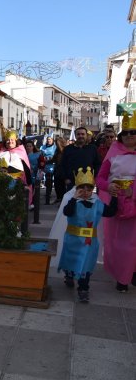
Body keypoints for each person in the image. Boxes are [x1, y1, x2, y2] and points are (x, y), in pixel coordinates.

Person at [57, 167, 117, 302]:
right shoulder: (73, 203)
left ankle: (83, 289)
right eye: (82, 189)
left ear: (93, 190)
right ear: (77, 190)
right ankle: (69, 277)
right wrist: (73, 198)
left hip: (89, 243)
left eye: (89, 189)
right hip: (73, 240)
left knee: (86, 265)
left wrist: (115, 196)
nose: (85, 192)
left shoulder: (97, 204)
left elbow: (111, 212)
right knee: (71, 260)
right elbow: (67, 212)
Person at [95, 114, 136, 293]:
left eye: (133, 132)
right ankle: (121, 276)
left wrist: (133, 191)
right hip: (115, 205)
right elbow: (100, 179)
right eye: (125, 133)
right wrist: (109, 186)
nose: (129, 136)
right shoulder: (113, 153)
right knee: (118, 243)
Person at [61, 127, 100, 191]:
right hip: (72, 183)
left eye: (82, 134)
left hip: (88, 183)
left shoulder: (93, 148)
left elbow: (97, 164)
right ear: (75, 136)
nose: (80, 136)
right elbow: (63, 164)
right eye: (78, 134)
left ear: (86, 135)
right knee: (72, 200)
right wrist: (66, 178)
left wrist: (95, 177)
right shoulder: (68, 149)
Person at [40, 136, 56, 204]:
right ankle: (47, 198)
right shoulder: (43, 147)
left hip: (53, 167)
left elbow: (56, 156)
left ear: (52, 140)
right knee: (47, 183)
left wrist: (51, 159)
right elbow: (40, 155)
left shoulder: (55, 147)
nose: (48, 140)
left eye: (50, 139)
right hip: (45, 167)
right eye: (48, 139)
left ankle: (50, 198)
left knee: (52, 183)